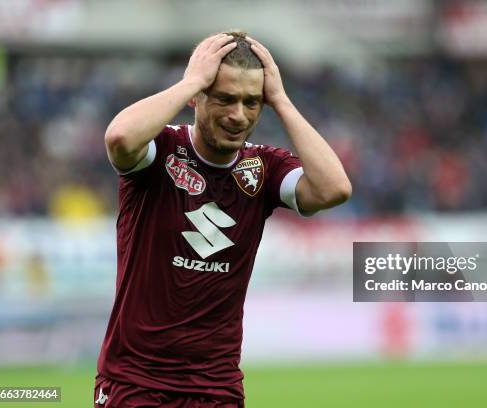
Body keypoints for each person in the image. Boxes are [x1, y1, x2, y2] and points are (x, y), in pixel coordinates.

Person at [94, 31, 351, 407]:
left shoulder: (264, 168)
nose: (238, 115)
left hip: (216, 387)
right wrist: (192, 80)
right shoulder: (159, 150)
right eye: (226, 99)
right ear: (196, 98)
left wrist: (280, 100)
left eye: (252, 102)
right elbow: (119, 137)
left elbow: (334, 189)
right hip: (135, 381)